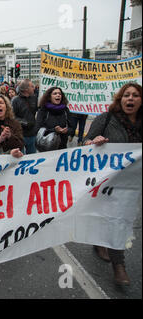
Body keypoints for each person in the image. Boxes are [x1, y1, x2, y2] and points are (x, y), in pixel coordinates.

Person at [83, 82, 142, 286]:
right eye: (127, 95)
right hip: (107, 181)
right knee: (109, 217)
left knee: (119, 219)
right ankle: (115, 261)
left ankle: (111, 253)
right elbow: (86, 142)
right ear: (120, 98)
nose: (131, 99)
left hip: (131, 185)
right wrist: (93, 142)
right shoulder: (107, 118)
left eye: (135, 95)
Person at [12, 79, 38, 154]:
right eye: (32, 86)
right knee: (20, 158)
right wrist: (25, 123)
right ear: (26, 89)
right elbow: (12, 116)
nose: (34, 88)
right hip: (20, 135)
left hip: (32, 134)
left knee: (32, 157)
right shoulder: (15, 100)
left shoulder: (34, 98)